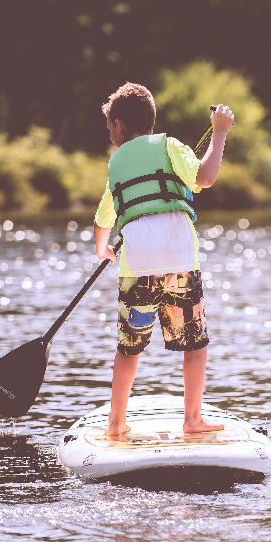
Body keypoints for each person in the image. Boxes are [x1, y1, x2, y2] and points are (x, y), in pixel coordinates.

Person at [93, 82, 234, 438]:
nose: (109, 133)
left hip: (136, 267)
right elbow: (206, 176)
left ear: (120, 125)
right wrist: (219, 134)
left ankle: (116, 423)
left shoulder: (116, 163)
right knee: (194, 343)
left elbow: (104, 218)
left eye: (110, 126)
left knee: (129, 348)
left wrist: (102, 249)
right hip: (180, 263)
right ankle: (192, 420)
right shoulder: (170, 146)